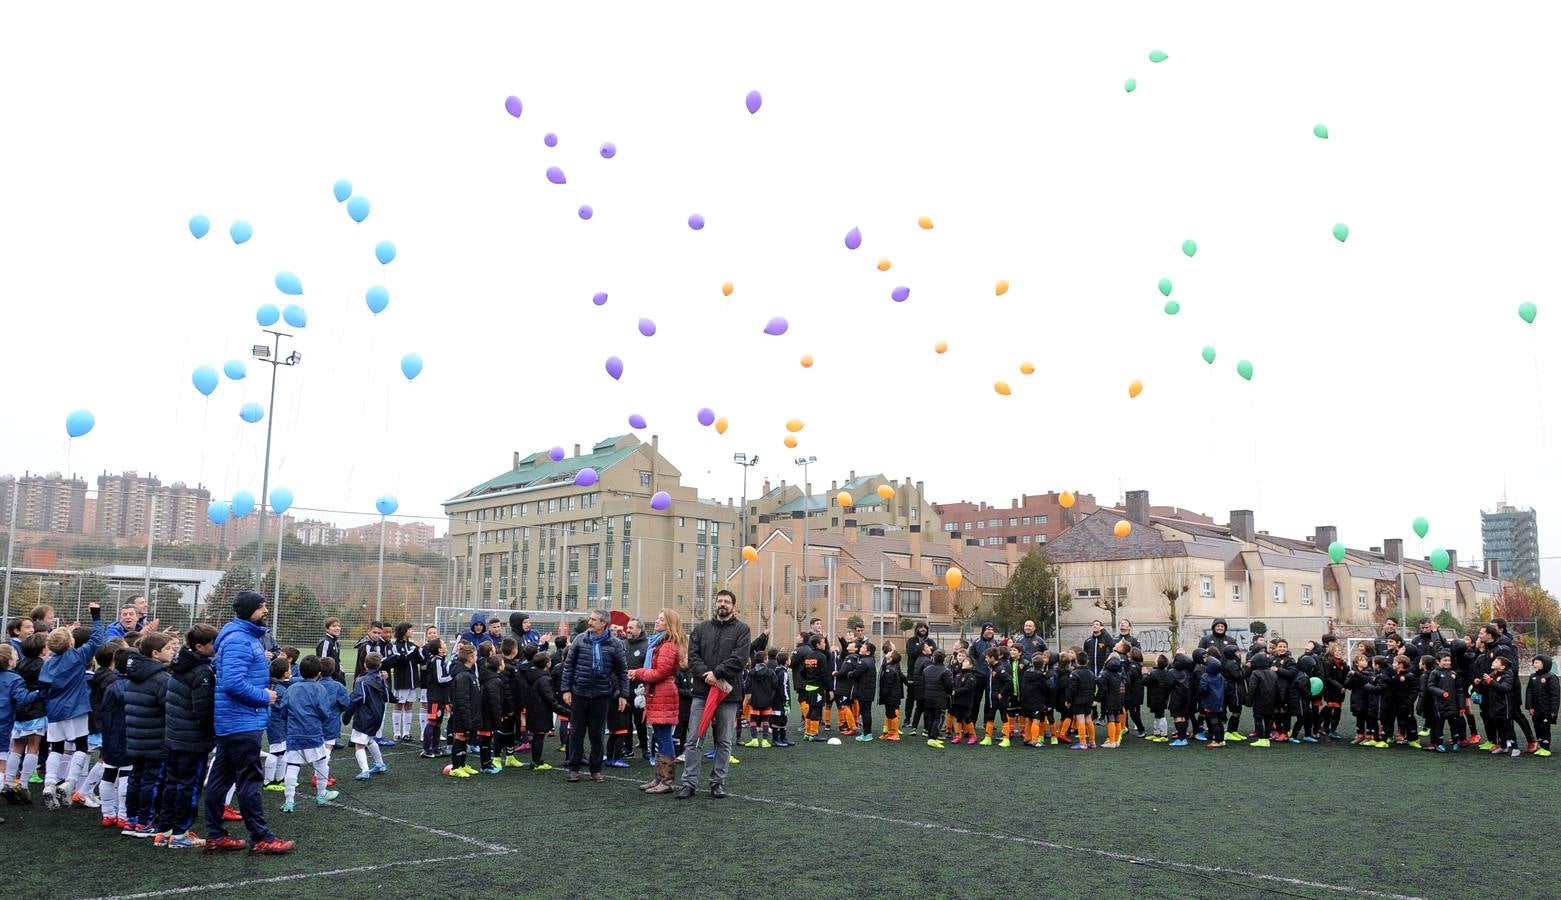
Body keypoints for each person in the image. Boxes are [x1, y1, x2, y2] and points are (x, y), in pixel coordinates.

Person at [204, 591, 292, 854]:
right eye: (262, 606)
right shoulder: (238, 640)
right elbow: (232, 683)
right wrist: (264, 696)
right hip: (240, 721)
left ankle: (216, 836)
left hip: (239, 720)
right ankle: (261, 837)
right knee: (249, 780)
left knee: (221, 779)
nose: (266, 609)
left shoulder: (248, 636)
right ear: (249, 610)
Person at [677, 590, 751, 800]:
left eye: (727, 602)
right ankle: (689, 783)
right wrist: (706, 675)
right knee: (693, 739)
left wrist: (717, 673)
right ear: (715, 604)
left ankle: (717, 783)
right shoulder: (701, 628)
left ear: (733, 606)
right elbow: (693, 656)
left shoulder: (742, 629)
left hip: (728, 695)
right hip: (702, 692)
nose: (722, 604)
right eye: (719, 601)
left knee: (724, 741)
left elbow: (739, 658)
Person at [152, 623, 217, 848]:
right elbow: (203, 710)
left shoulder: (179, 664)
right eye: (212, 643)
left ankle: (164, 830)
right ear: (200, 647)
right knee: (189, 786)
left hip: (174, 735)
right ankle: (181, 834)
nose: (216, 647)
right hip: (191, 740)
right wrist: (212, 733)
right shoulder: (202, 672)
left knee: (172, 783)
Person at [37, 601, 105, 808]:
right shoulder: (77, 657)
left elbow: (43, 690)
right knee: (81, 746)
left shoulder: (47, 664)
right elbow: (97, 638)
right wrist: (96, 615)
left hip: (55, 712)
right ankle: (70, 782)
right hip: (75, 709)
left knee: (56, 747)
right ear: (70, 644)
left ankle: (49, 783)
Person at [561, 609, 628, 784]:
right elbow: (569, 666)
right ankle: (573, 768)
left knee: (597, 734)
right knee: (576, 732)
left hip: (602, 695)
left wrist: (623, 694)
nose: (590, 622)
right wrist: (566, 689)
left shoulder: (615, 643)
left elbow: (622, 671)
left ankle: (596, 769)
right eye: (590, 619)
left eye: (594, 620)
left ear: (603, 623)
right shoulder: (579, 639)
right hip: (579, 693)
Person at [121, 631, 175, 836]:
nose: (173, 651)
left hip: (135, 737)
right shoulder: (162, 679)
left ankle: (131, 820)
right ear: (155, 653)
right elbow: (167, 708)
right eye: (168, 648)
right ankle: (145, 822)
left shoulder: (132, 675)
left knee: (136, 778)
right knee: (151, 780)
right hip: (155, 738)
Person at [279, 656, 343, 809]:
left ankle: (289, 801)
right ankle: (321, 794)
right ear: (319, 673)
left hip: (294, 734)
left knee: (293, 766)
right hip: (314, 733)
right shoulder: (319, 688)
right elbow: (324, 712)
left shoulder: (292, 688)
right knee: (321, 763)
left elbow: (283, 711)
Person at [520, 650, 568, 772]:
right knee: (539, 736)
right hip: (540, 711)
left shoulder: (532, 675)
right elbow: (550, 700)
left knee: (537, 736)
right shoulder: (543, 679)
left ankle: (536, 760)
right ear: (547, 663)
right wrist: (567, 712)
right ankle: (536, 762)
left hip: (534, 709)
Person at [347, 653, 391, 780]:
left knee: (359, 745)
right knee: (370, 740)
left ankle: (364, 771)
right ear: (380, 665)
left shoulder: (361, 681)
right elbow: (388, 696)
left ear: (365, 664)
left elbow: (356, 699)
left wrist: (347, 715)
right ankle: (380, 764)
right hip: (378, 716)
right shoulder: (381, 679)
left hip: (364, 717)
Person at [384, 623, 422, 743]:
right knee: (399, 704)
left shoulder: (411, 645)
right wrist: (415, 648)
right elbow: (403, 659)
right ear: (404, 631)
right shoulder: (395, 646)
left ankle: (406, 732)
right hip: (402, 680)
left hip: (412, 680)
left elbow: (420, 660)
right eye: (410, 629)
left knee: (409, 705)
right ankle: (397, 733)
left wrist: (419, 649)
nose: (412, 631)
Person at [420, 638, 451, 758]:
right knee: (432, 722)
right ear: (439, 649)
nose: (445, 644)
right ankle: (426, 750)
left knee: (438, 723)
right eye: (443, 643)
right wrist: (452, 676)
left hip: (441, 697)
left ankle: (436, 748)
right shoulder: (437, 660)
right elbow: (440, 678)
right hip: (435, 698)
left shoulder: (440, 660)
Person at [1527, 655, 1556, 757]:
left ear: (1545, 664)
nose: (1534, 664)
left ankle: (1546, 748)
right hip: (1536, 709)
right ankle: (1540, 745)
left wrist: (1554, 710)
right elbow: (1529, 692)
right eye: (1534, 662)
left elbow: (1555, 695)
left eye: (1537, 663)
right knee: (1537, 727)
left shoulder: (1551, 677)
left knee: (1545, 728)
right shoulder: (1532, 677)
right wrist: (1529, 706)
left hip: (1546, 709)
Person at [878, 648, 904, 741]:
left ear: (891, 658)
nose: (888, 652)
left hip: (891, 696)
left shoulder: (890, 669)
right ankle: (889, 733)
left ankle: (895, 733)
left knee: (892, 714)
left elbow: (888, 685)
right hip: (890, 696)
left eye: (890, 652)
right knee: (888, 713)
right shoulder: (888, 666)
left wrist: (883, 694)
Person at [316, 619, 345, 685]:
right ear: (327, 629)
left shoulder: (335, 642)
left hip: (336, 677)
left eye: (339, 626)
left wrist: (341, 672)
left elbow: (337, 660)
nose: (337, 628)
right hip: (328, 679)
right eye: (334, 626)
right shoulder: (326, 642)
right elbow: (322, 661)